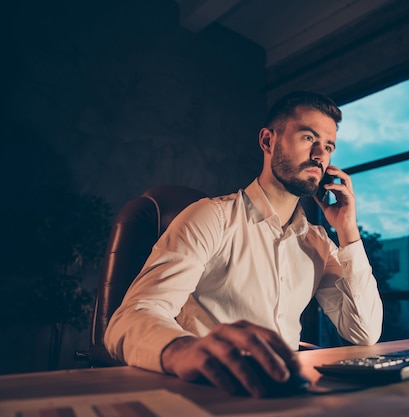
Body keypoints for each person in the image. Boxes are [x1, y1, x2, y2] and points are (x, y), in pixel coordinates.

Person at [104, 91, 383, 397]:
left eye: (328, 146)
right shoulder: (212, 218)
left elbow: (363, 333)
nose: (320, 154)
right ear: (268, 141)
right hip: (213, 392)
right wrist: (183, 350)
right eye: (308, 137)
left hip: (286, 394)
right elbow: (130, 317)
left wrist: (348, 231)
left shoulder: (317, 241)